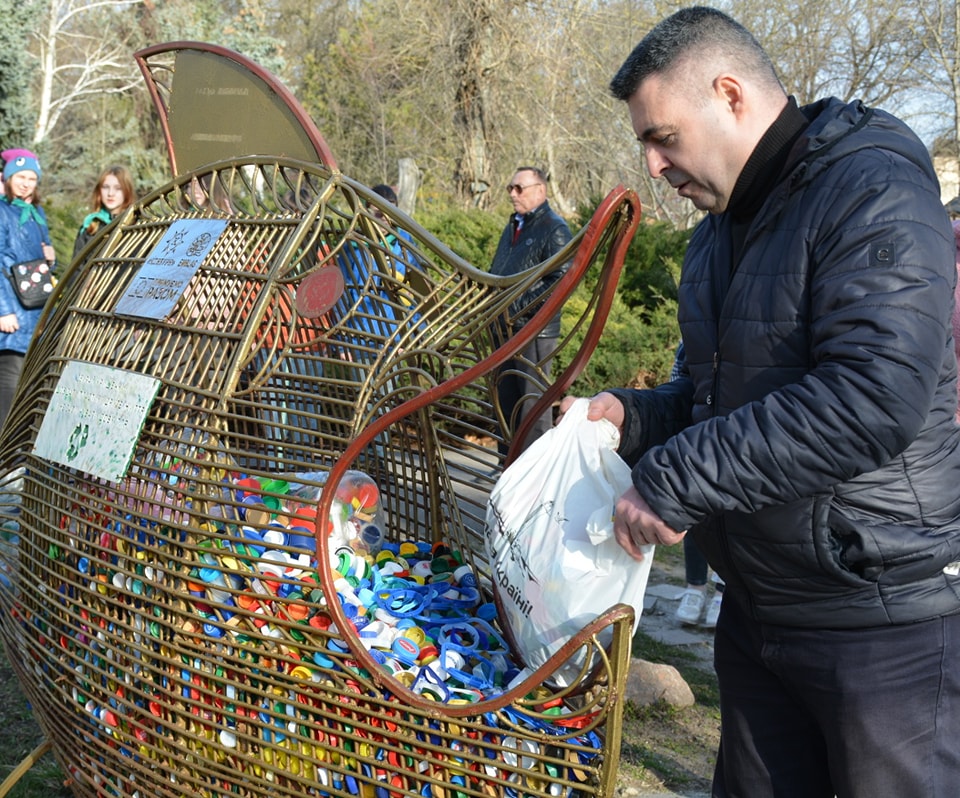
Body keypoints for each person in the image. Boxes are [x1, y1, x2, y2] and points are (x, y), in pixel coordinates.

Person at [562, 7, 960, 797]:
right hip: (761, 615)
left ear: (731, 95)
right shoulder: (716, 233)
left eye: (663, 137)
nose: (652, 165)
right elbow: (714, 395)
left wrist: (676, 479)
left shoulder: (872, 186)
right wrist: (633, 416)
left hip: (881, 624)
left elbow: (871, 395)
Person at [490, 166, 572, 455]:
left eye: (519, 188)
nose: (512, 194)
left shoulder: (555, 229)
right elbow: (499, 272)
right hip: (505, 330)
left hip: (535, 331)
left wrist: (513, 308)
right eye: (510, 188)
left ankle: (535, 479)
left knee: (532, 410)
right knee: (506, 406)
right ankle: (507, 474)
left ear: (540, 190)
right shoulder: (514, 225)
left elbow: (561, 283)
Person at [0, 149, 56, 427]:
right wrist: (3, 311)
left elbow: (43, 266)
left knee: (28, 388)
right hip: (11, 313)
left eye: (32, 178)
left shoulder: (36, 213)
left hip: (34, 309)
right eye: (20, 176)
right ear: (8, 178)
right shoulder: (1, 211)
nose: (25, 183)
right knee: (8, 387)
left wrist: (50, 258)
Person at [73, 164, 136, 258]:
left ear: (127, 191)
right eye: (106, 187)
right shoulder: (90, 225)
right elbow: (77, 269)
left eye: (118, 188)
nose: (110, 193)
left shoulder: (137, 224)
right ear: (99, 190)